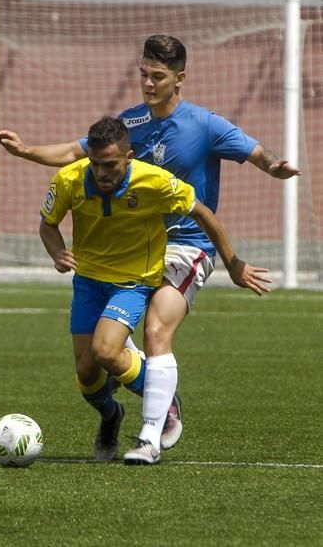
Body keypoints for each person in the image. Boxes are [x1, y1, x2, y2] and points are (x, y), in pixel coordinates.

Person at [0, 34, 301, 450]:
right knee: (91, 365)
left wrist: (274, 167)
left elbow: (254, 151)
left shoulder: (205, 124)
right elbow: (74, 152)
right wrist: (26, 150)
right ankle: (119, 408)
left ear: (180, 78)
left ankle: (154, 430)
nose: (149, 84)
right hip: (137, 249)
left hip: (187, 245)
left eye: (158, 76)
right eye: (144, 75)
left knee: (156, 327)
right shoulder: (130, 123)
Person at [39, 116, 270, 464]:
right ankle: (111, 416)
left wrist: (233, 263)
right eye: (96, 164)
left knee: (105, 351)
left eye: (111, 165)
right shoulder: (69, 179)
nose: (102, 173)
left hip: (134, 281)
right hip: (88, 280)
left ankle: (160, 396)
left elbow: (203, 214)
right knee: (87, 374)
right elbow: (48, 224)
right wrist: (56, 251)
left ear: (129, 157)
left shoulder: (156, 182)